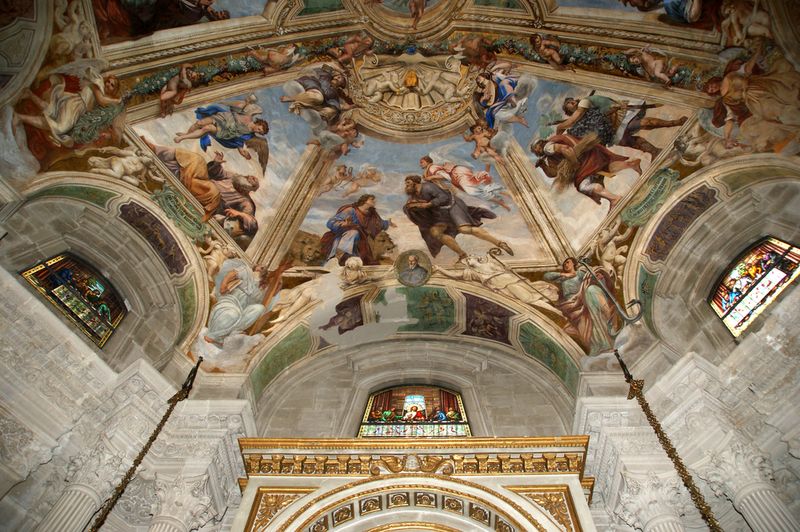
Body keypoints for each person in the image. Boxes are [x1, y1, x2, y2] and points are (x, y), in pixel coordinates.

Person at [404, 175, 512, 261]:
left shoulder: (427, 187)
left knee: (464, 229)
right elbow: (412, 206)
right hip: (441, 214)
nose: (406, 185)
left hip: (453, 205)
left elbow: (444, 197)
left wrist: (428, 204)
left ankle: (500, 243)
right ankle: (462, 255)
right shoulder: (415, 195)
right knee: (435, 232)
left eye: (408, 183)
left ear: (415, 182)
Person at [531, 134, 641, 209]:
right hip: (591, 153)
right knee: (605, 167)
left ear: (539, 145)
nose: (536, 152)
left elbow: (566, 149)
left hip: (583, 161)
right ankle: (631, 164)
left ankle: (614, 199)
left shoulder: (548, 148)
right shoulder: (551, 154)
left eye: (535, 149)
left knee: (583, 186)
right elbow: (554, 173)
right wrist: (543, 166)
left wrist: (574, 163)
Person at [542, 257, 621, 356]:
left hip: (583, 299)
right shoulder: (562, 278)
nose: (565, 265)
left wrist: (598, 277)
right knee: (583, 325)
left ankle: (606, 341)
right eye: (564, 264)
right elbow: (546, 276)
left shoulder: (580, 273)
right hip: (571, 305)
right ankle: (600, 344)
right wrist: (564, 274)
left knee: (591, 292)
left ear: (574, 264)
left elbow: (591, 278)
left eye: (568, 262)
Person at [204, 259, 268, 346]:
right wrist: (223, 285)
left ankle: (232, 331)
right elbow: (232, 274)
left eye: (264, 269)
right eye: (261, 266)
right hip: (231, 300)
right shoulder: (247, 271)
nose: (263, 268)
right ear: (256, 267)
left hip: (243, 309)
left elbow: (257, 300)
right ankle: (213, 336)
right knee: (233, 314)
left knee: (260, 308)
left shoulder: (260, 287)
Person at [320, 194, 394, 266]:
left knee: (355, 262)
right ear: (364, 201)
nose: (374, 201)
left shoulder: (371, 214)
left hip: (360, 241)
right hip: (344, 238)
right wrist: (343, 224)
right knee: (354, 232)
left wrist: (388, 223)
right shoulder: (351, 210)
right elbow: (331, 222)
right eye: (371, 199)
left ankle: (348, 258)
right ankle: (338, 257)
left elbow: (379, 223)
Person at [419, 155, 511, 211]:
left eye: (422, 162)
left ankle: (501, 200)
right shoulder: (430, 169)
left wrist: (430, 177)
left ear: (428, 162)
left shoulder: (432, 168)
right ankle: (502, 196)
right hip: (457, 175)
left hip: (457, 174)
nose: (420, 164)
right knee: (478, 188)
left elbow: (444, 176)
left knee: (472, 191)